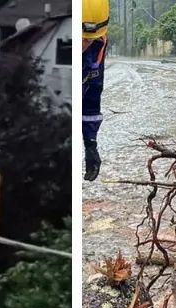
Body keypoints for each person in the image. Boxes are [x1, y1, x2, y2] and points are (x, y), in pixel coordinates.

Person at [82, 0, 109, 182]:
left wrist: (90, 143)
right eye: (81, 38)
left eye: (88, 40)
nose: (84, 44)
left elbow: (91, 98)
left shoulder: (98, 43)